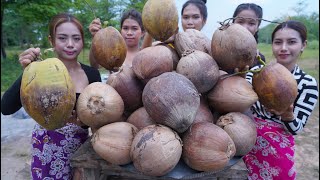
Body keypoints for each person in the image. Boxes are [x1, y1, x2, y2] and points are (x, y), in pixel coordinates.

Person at [1, 13, 101, 179]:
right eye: (62, 38)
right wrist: (27, 71)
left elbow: (100, 116)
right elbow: (5, 107)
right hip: (46, 150)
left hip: (81, 151)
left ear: (83, 41)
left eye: (76, 38)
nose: (70, 44)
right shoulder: (38, 72)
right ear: (51, 41)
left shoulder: (92, 75)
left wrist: (86, 121)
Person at [243, 20, 319, 179]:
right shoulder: (255, 73)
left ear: (303, 45)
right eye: (278, 42)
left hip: (277, 152)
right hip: (245, 142)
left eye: (291, 42)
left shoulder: (308, 84)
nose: (283, 48)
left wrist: (288, 116)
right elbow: (241, 103)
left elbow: (296, 129)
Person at [141, 0, 208, 48]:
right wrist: (152, 26)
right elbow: (144, 52)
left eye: (195, 17)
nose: (190, 22)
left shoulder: (210, 46)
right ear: (180, 19)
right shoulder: (171, 42)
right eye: (186, 17)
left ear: (204, 20)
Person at [232, 3, 266, 68]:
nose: (244, 28)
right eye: (240, 21)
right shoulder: (218, 53)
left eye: (251, 23)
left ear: (257, 27)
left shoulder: (259, 59)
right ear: (232, 23)